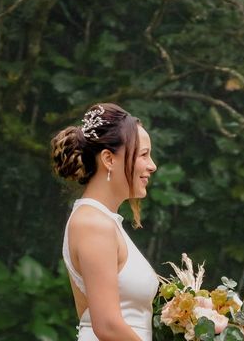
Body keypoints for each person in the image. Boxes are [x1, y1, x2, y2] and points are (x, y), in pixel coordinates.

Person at [51, 103, 158, 341]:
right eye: (143, 154)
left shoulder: (105, 221)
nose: (152, 165)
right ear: (109, 159)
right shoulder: (93, 225)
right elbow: (107, 326)